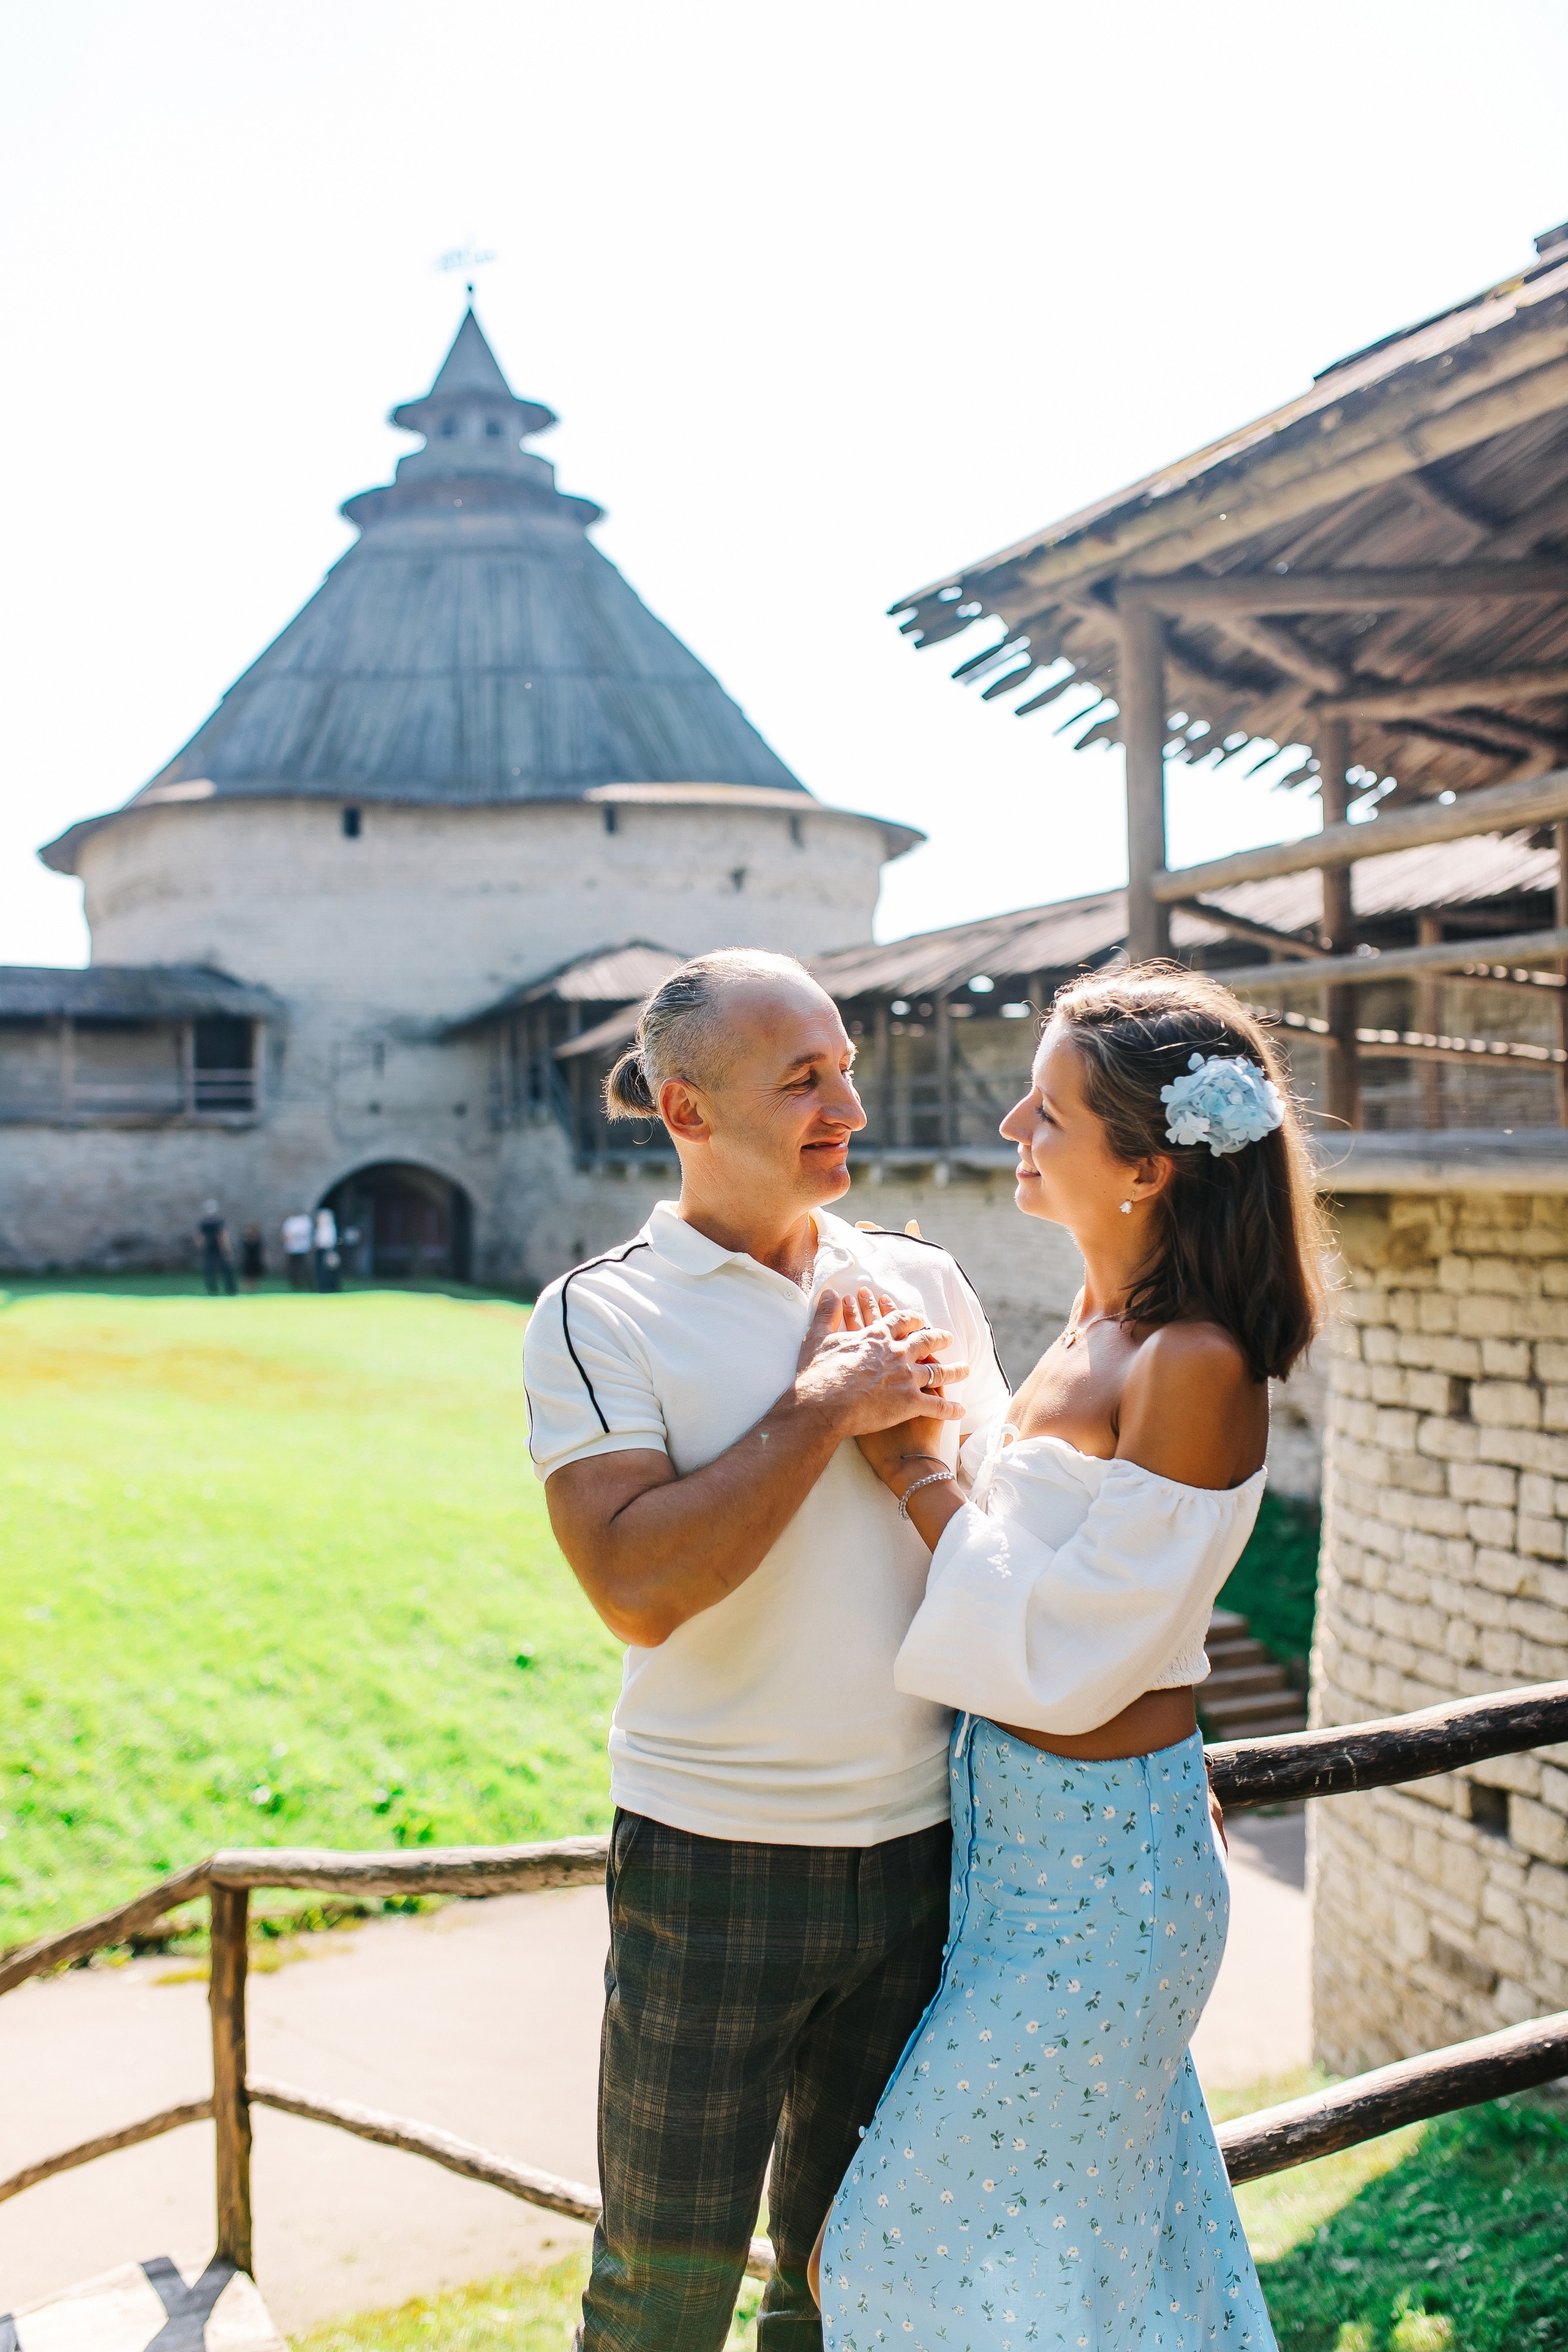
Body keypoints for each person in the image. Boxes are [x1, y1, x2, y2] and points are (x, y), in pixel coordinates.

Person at [810, 966, 1324, 2351]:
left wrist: (916, 1470)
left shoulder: (1193, 1363)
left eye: (1046, 1108)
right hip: (1026, 1865)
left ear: (1145, 1167)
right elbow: (1085, 1593)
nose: (1008, 1123)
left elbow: (1066, 1649)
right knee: (1096, 2263)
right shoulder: (1095, 1334)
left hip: (1101, 1892)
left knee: (885, 2253)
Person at [523, 949, 1012, 2352]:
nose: (847, 1104)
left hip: (929, 1851)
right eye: (803, 1079)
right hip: (710, 1861)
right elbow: (633, 1585)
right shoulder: (598, 1312)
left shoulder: (924, 1278)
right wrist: (821, 1406)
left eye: (844, 1064)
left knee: (846, 2276)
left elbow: (991, 1549)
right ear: (685, 1109)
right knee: (657, 2291)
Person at [195, 1199, 236, 1297]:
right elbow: (223, 1237)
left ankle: (213, 1290)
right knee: (225, 1270)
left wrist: (202, 1248)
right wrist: (227, 1250)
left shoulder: (204, 1223)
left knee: (211, 1271)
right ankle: (230, 1289)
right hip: (217, 1250)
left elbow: (200, 1238)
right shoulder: (218, 1222)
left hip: (210, 1250)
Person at [282, 1210, 314, 1289]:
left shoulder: (305, 1221)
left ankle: (308, 1283)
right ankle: (296, 1283)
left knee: (305, 1266)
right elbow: (286, 1235)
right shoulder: (290, 1221)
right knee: (293, 1267)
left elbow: (307, 1233)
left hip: (303, 1248)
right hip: (292, 1248)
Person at [312, 1204, 338, 1289]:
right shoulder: (322, 1227)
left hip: (326, 1250)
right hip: (322, 1250)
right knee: (322, 1270)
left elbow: (327, 1240)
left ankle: (326, 1287)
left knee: (326, 1271)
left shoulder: (327, 1227)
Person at [239, 1223, 265, 1292]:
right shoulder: (245, 1242)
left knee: (255, 1276)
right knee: (248, 1276)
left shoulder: (258, 1242)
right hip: (248, 1261)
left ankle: (254, 1288)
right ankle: (247, 1288)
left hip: (255, 1261)